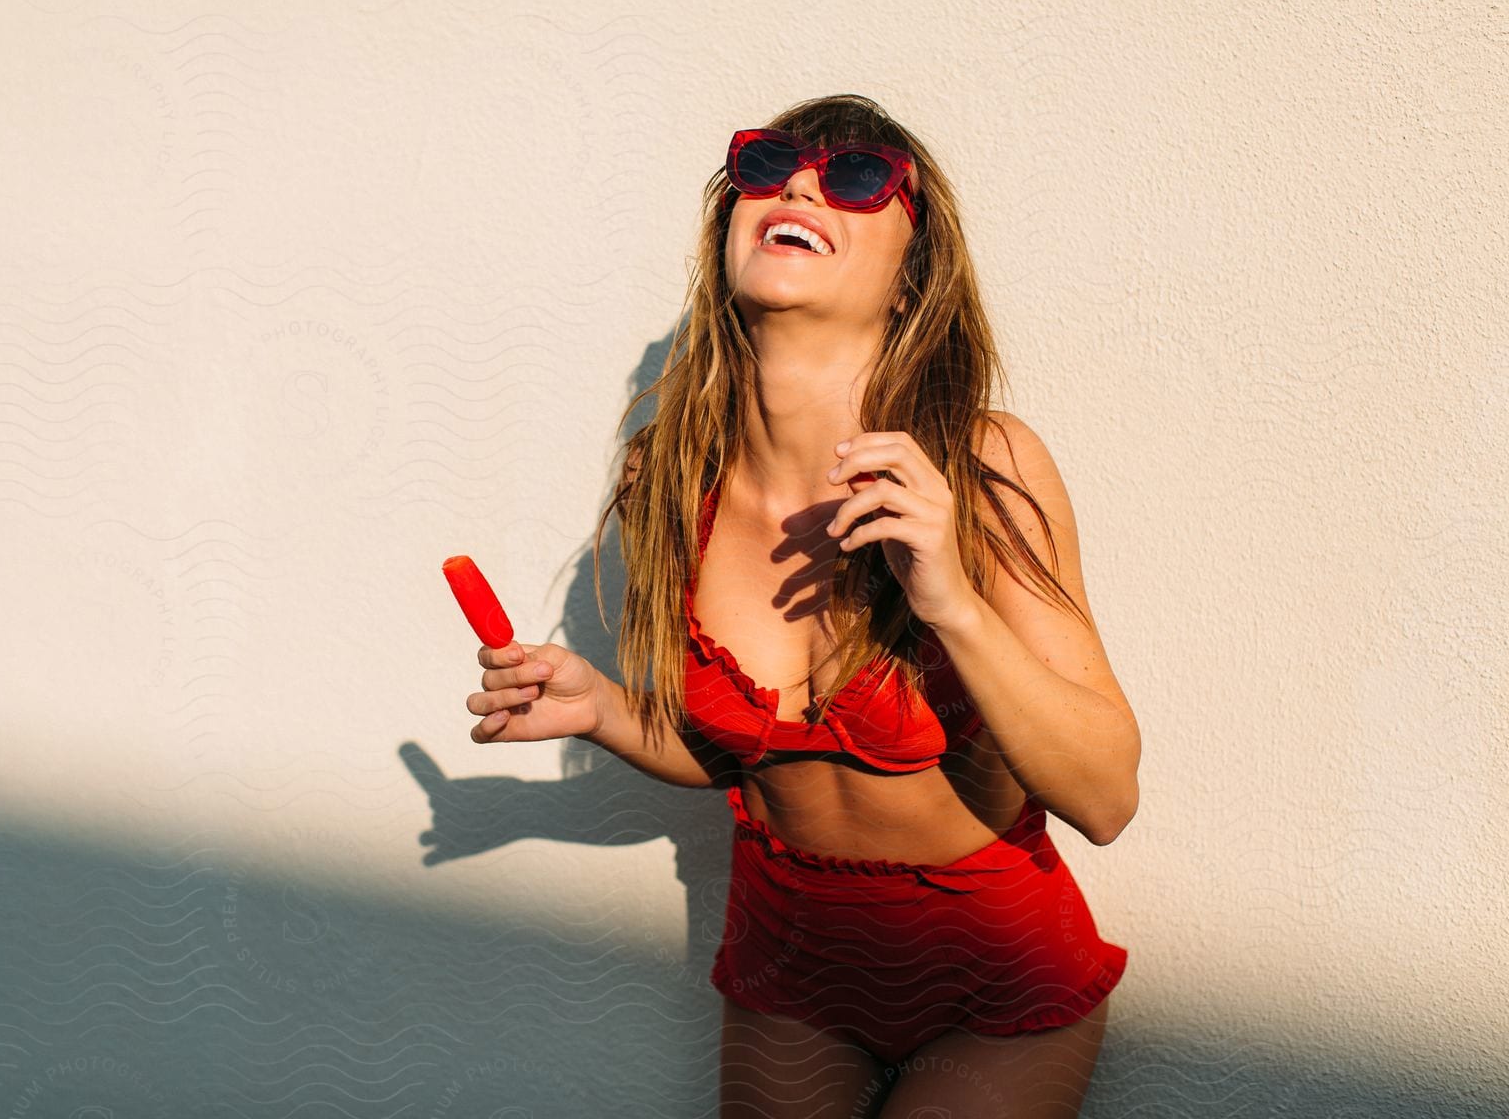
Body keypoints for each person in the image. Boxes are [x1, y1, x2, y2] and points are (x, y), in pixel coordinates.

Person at [464, 93, 1140, 1118]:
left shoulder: (983, 466)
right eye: (770, 161)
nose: (801, 183)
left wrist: (951, 598)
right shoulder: (674, 476)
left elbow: (1105, 797)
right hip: (791, 966)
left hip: (991, 981)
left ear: (914, 279)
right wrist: (605, 710)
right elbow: (758, 755)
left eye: (860, 176)